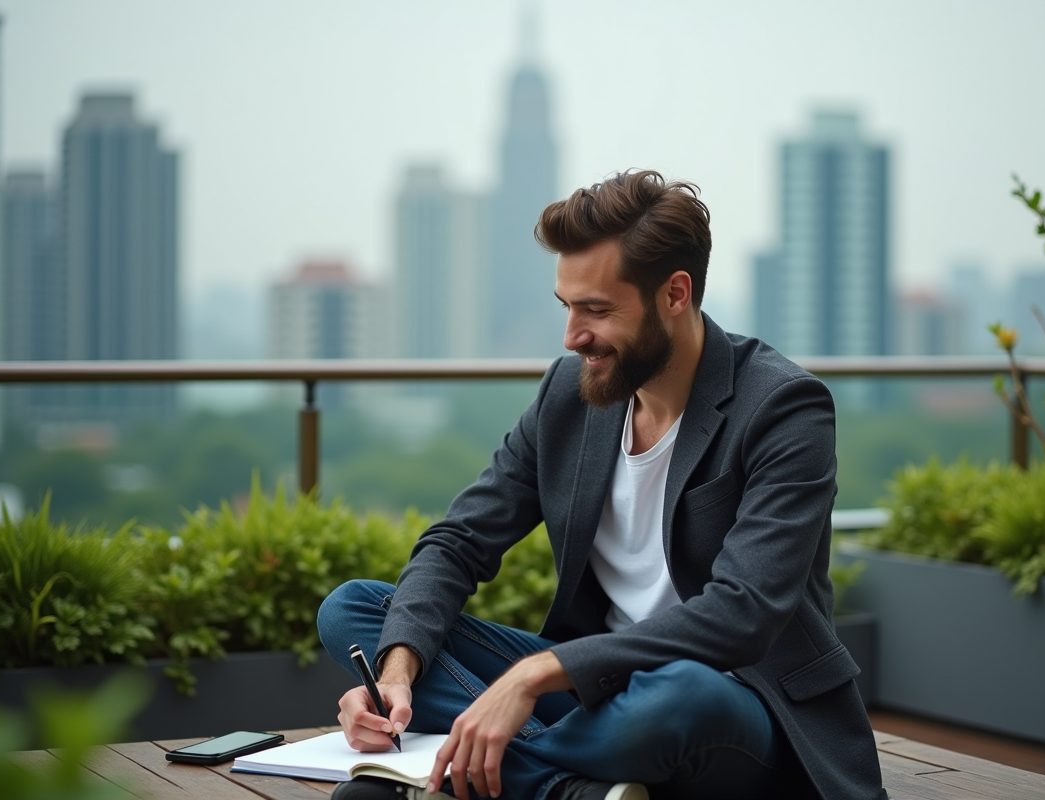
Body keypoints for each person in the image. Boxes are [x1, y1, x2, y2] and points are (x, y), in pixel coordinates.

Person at [317, 170, 888, 800]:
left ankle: (468, 771)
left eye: (597, 310)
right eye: (567, 307)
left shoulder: (784, 408)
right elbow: (457, 542)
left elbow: (742, 616)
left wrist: (534, 675)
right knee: (356, 608)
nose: (572, 337)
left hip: (738, 704)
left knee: (679, 696)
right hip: (595, 700)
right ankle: (567, 789)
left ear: (675, 293)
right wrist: (395, 678)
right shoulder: (569, 395)